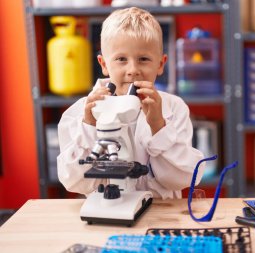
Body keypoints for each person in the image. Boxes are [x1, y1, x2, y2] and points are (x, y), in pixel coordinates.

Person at [57, 7, 205, 199]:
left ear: (160, 64)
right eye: (121, 59)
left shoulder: (174, 108)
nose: (133, 69)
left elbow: (182, 178)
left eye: (143, 59)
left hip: (162, 214)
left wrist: (158, 126)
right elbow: (73, 181)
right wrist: (89, 127)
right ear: (103, 64)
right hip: (108, 214)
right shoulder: (78, 113)